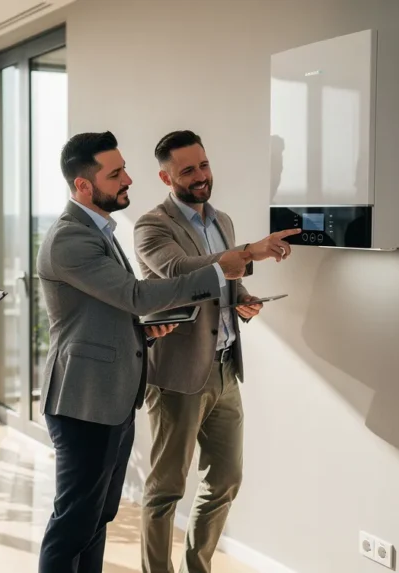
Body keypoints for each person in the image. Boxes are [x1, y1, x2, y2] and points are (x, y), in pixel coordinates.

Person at [35, 131, 254, 573]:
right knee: (73, 524)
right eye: (116, 174)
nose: (127, 180)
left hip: (112, 396)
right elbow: (135, 295)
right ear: (83, 185)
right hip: (83, 399)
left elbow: (113, 311)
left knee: (97, 519)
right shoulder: (69, 239)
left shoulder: (102, 232)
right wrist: (219, 270)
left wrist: (147, 333)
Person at [133, 130, 300, 573]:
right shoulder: (151, 226)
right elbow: (180, 272)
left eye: (203, 165)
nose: (201, 176)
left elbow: (227, 281)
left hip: (225, 368)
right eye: (187, 170)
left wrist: (243, 301)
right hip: (177, 377)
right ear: (166, 177)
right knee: (166, 488)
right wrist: (248, 252)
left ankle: (198, 567)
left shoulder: (221, 221)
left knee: (226, 479)